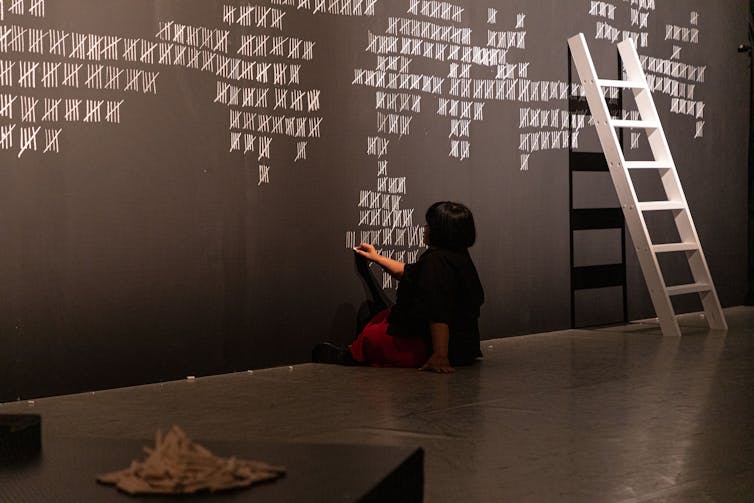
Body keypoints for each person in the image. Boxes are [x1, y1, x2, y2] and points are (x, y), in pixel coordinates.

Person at [314, 201, 484, 373]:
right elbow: (408, 272)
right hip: (464, 347)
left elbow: (438, 313)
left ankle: (349, 356)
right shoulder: (457, 257)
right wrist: (376, 258)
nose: (424, 228)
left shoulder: (436, 262)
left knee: (371, 338)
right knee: (381, 317)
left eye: (429, 225)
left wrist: (440, 355)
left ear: (441, 232)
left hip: (438, 346)